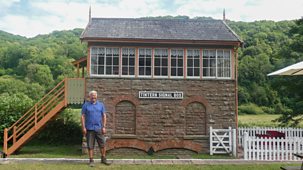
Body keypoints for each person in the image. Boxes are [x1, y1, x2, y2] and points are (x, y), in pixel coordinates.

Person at [81, 90, 111, 166]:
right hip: (89, 128)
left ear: (96, 96)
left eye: (94, 95)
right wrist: (83, 127)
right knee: (90, 145)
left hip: (99, 128)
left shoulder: (101, 105)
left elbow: (104, 116)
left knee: (102, 144)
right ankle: (91, 160)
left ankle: (103, 159)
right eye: (92, 95)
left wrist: (104, 127)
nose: (93, 97)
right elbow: (83, 116)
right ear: (89, 96)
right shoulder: (85, 105)